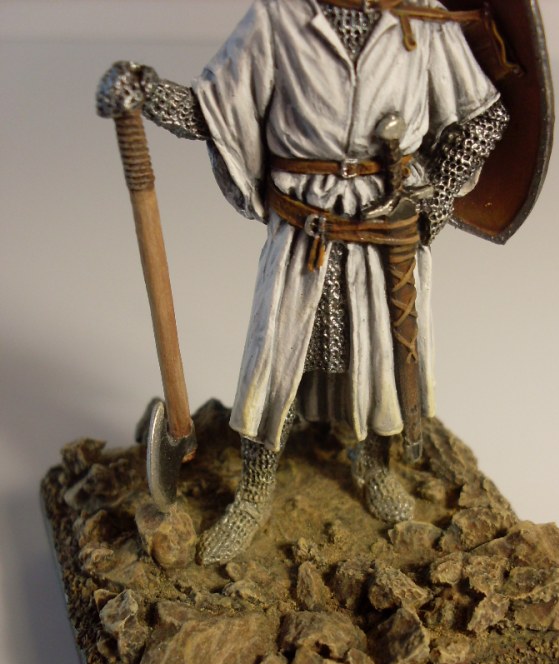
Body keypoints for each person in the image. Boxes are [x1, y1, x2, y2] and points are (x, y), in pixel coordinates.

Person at [97, 0, 509, 565]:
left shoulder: (422, 19)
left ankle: (374, 466)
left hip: (386, 231)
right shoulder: (279, 17)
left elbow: (484, 118)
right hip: (302, 231)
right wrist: (147, 91)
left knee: (381, 362)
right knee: (276, 368)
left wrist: (434, 201)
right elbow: (210, 111)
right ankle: (253, 492)